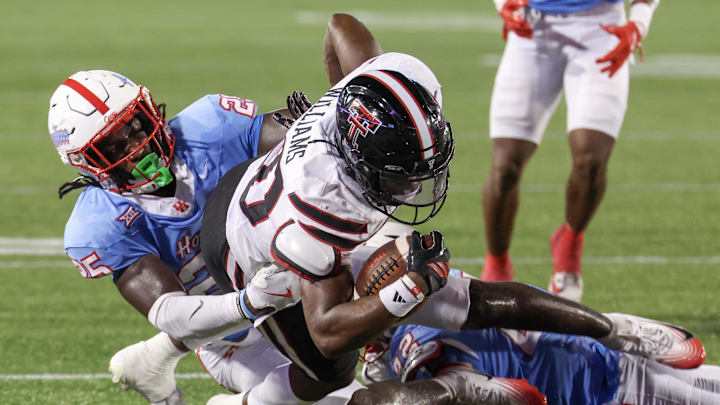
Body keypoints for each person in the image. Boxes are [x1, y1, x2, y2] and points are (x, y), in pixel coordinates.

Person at [47, 70, 307, 404]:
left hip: (306, 278)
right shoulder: (102, 223)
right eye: (115, 145)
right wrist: (249, 302)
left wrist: (323, 126)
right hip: (238, 342)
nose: (138, 146)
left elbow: (300, 139)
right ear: (89, 163)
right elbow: (172, 314)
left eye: (136, 126)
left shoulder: (209, 126)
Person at [480, 0, 661, 302]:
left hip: (602, 28)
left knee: (590, 160)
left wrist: (638, 23)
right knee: (505, 168)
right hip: (532, 28)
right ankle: (497, 264)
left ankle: (569, 243)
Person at [351, 321, 720, 405]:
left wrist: (461, 385)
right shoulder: (424, 313)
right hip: (603, 361)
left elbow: (437, 373)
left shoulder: (406, 343)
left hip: (599, 384)